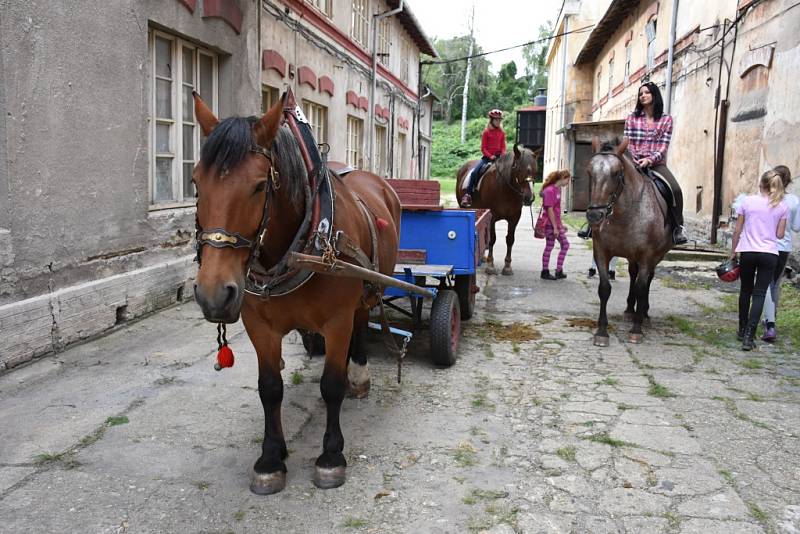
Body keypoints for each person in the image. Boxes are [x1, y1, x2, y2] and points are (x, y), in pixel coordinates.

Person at [624, 82, 688, 245]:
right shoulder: (631, 118)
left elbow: (663, 146)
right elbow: (628, 141)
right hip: (634, 162)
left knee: (676, 190)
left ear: (654, 95)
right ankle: (595, 225)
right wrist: (636, 158)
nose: (643, 96)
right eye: (641, 94)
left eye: (647, 93)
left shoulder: (666, 120)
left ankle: (677, 228)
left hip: (656, 163)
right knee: (609, 181)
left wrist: (649, 160)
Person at [731, 169, 788, 351]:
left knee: (745, 290)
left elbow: (737, 229)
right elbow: (779, 234)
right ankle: (750, 335)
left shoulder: (747, 201)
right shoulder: (781, 206)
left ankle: (741, 328)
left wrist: (733, 251)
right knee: (760, 293)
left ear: (760, 183)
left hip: (748, 251)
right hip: (769, 254)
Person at [761, 165, 800, 342]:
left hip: (765, 245)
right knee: (774, 284)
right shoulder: (794, 201)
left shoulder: (765, 198)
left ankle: (769, 321)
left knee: (764, 284)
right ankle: (771, 318)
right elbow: (796, 227)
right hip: (783, 247)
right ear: (789, 181)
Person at [461, 109, 506, 207]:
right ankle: (468, 195)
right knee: (474, 172)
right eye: (496, 120)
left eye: (499, 120)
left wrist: (502, 154)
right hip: (487, 158)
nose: (498, 122)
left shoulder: (502, 133)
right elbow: (483, 148)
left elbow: (503, 147)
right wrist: (490, 156)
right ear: (491, 120)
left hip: (499, 158)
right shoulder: (486, 132)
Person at [541, 170, 571, 280]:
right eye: (568, 179)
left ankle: (557, 270)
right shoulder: (549, 191)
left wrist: (561, 226)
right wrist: (555, 227)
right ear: (563, 178)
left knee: (562, 245)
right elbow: (549, 210)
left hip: (556, 225)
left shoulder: (557, 190)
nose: (568, 182)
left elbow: (557, 211)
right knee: (551, 246)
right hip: (550, 224)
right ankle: (546, 271)